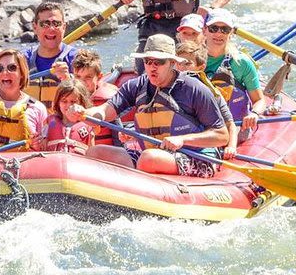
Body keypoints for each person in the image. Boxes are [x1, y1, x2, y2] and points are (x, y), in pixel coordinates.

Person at [73, 34, 229, 178]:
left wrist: (183, 139)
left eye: (159, 62)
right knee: (96, 152)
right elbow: (105, 111)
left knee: (149, 158)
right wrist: (85, 113)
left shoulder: (193, 89)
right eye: (148, 61)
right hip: (151, 155)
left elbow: (222, 135)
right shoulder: (135, 86)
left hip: (195, 157)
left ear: (172, 63)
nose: (152, 67)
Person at [203, 9, 265, 134]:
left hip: (235, 127)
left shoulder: (241, 62)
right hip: (202, 126)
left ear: (230, 33)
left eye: (225, 29)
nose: (219, 34)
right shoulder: (192, 59)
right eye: (213, 28)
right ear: (205, 30)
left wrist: (254, 113)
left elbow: (259, 100)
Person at [175, 41, 240, 155]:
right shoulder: (167, 87)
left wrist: (231, 147)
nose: (181, 68)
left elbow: (230, 124)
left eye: (187, 64)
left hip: (200, 148)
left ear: (201, 67)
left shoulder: (210, 93)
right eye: (178, 63)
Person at [21, 2, 79, 112]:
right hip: (29, 124)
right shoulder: (23, 59)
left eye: (56, 23)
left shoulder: (76, 59)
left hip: (63, 125)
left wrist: (68, 80)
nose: (51, 29)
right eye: (45, 24)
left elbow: (87, 96)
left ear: (64, 27)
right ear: (35, 27)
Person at [72, 49, 119, 145]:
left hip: (104, 153)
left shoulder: (107, 101)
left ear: (99, 77)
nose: (81, 82)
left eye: (88, 77)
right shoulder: (67, 100)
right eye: (78, 77)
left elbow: (117, 136)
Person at [45, 79, 97, 155]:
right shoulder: (49, 123)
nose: (69, 106)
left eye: (73, 102)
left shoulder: (89, 125)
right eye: (64, 101)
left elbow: (92, 154)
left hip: (78, 165)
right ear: (58, 103)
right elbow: (41, 147)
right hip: (54, 164)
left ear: (82, 103)